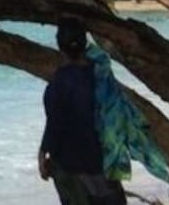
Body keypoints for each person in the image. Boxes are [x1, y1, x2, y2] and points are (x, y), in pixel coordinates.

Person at [39, 19, 126, 205]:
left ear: (59, 45)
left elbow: (55, 124)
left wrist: (42, 154)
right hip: (103, 163)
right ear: (85, 44)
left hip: (70, 166)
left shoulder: (57, 84)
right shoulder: (102, 76)